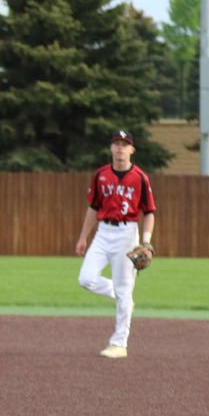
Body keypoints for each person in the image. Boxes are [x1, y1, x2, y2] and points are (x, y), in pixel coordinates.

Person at [75, 130, 157, 359]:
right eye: (116, 144)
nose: (120, 148)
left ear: (132, 150)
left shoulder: (140, 177)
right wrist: (83, 237)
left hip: (127, 233)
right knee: (86, 279)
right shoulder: (101, 175)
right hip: (103, 232)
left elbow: (149, 212)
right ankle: (123, 295)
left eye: (125, 144)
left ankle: (119, 343)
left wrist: (146, 242)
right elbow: (93, 207)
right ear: (111, 148)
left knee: (123, 289)